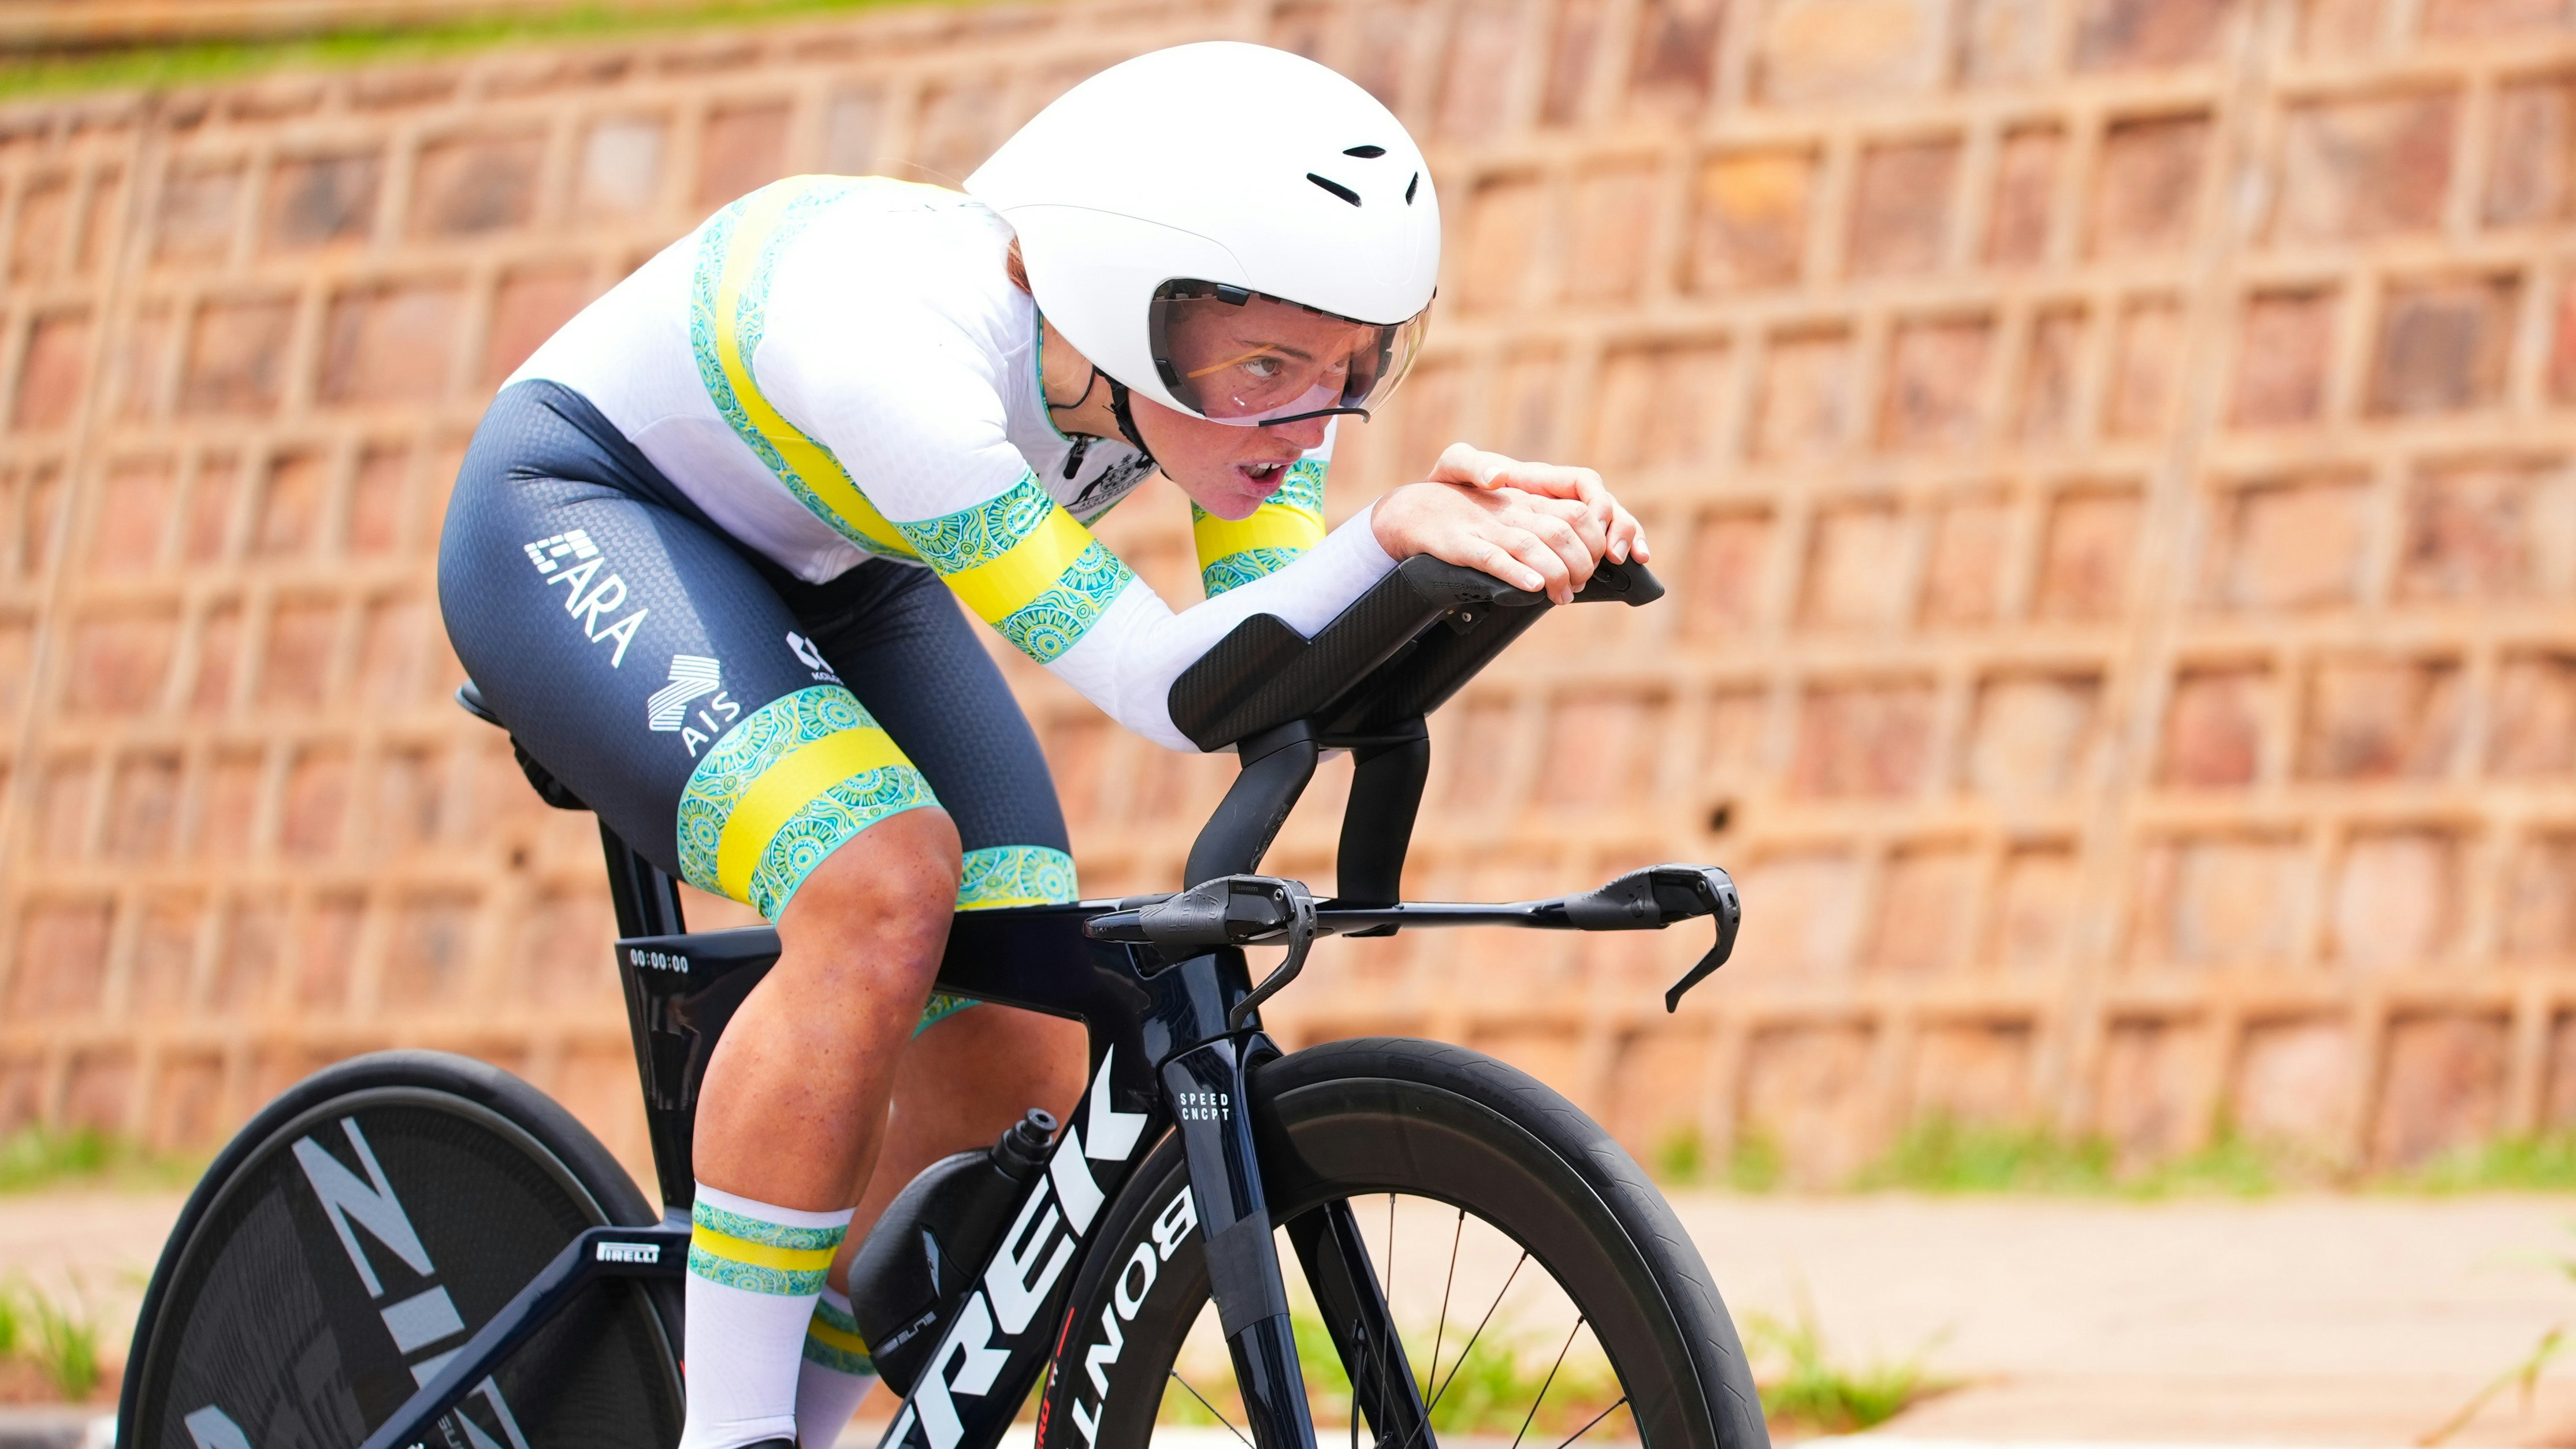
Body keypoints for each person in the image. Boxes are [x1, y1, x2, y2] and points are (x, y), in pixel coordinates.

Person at [436, 39, 1648, 1449]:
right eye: (1263, 366)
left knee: (1015, 1021)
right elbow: (1155, 679)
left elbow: (1260, 646)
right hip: (582, 511)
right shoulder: (902, 357)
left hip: (848, 560)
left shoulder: (1243, 385)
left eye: (1355, 365)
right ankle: (736, 1433)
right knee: (881, 884)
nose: (1307, 418)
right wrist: (1385, 537)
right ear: (1113, 308)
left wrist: (1465, 567)